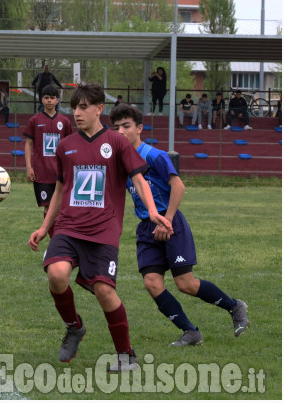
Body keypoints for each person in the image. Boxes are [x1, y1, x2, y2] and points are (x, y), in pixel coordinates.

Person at [27, 82, 173, 372]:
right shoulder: (66, 145)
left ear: (99, 109)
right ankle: (74, 327)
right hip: (68, 226)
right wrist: (45, 227)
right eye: (75, 108)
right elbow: (59, 190)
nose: (78, 113)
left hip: (104, 230)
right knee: (56, 275)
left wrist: (154, 211)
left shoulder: (117, 142)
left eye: (83, 107)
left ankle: (126, 356)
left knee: (105, 292)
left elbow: (140, 180)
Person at [109, 104, 248, 346]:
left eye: (126, 126)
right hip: (146, 227)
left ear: (139, 128)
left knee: (186, 284)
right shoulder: (121, 161)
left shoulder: (154, 155)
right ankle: (190, 332)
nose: (120, 131)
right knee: (152, 283)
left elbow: (178, 186)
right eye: (116, 127)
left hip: (170, 222)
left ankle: (235, 306)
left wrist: (168, 221)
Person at [23, 85, 73, 238]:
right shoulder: (34, 120)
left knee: (61, 210)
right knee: (47, 209)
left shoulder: (64, 121)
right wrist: (29, 167)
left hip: (60, 172)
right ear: (42, 99)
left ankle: (60, 242)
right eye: (46, 97)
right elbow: (28, 144)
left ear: (57, 100)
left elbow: (69, 147)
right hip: (42, 172)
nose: (49, 100)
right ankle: (54, 244)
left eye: (52, 98)